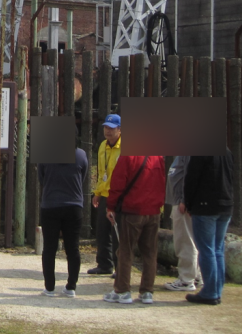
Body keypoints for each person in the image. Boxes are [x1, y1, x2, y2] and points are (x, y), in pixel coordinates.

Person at [103, 154, 166, 305]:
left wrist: (111, 206)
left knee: (125, 250)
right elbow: (162, 181)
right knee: (150, 253)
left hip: (133, 210)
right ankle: (147, 291)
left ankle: (122, 290)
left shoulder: (128, 156)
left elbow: (118, 183)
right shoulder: (158, 156)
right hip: (153, 210)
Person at [182, 152, 235, 305]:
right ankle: (217, 289)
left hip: (205, 205)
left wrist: (189, 204)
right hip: (225, 204)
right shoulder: (226, 151)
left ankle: (210, 292)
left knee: (206, 250)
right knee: (217, 249)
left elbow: (192, 178)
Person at [37, 146, 89, 297]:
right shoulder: (81, 155)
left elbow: (42, 177)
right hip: (74, 205)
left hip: (50, 204)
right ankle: (71, 286)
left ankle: (49, 287)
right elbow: (83, 175)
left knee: (49, 248)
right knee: (73, 248)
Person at [86, 113, 121, 277]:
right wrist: (97, 192)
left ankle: (120, 267)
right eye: (106, 128)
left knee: (117, 233)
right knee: (102, 231)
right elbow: (101, 172)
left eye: (111, 128)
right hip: (105, 193)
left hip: (119, 195)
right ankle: (104, 264)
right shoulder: (102, 146)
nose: (108, 131)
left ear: (120, 130)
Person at [163, 156, 202, 292]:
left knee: (185, 241)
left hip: (182, 203)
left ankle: (186, 279)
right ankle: (196, 275)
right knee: (190, 240)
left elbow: (189, 175)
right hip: (181, 201)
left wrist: (184, 200)